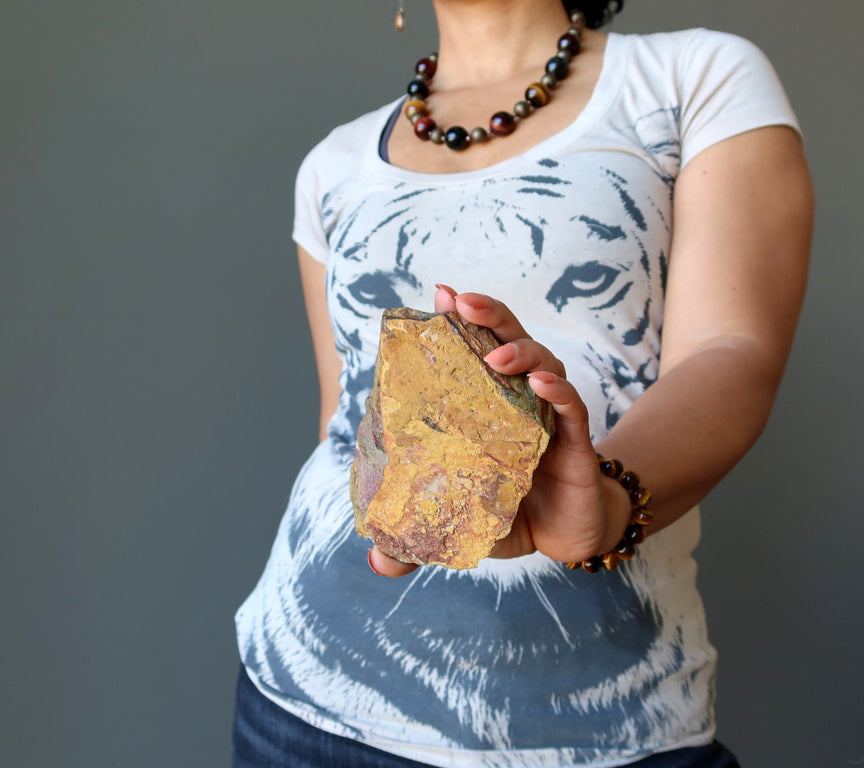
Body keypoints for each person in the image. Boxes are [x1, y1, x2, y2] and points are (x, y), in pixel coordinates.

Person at [233, 0, 812, 765]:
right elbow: (344, 421)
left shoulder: (692, 76)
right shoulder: (333, 164)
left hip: (601, 721)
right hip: (303, 693)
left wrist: (605, 501)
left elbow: (730, 350)